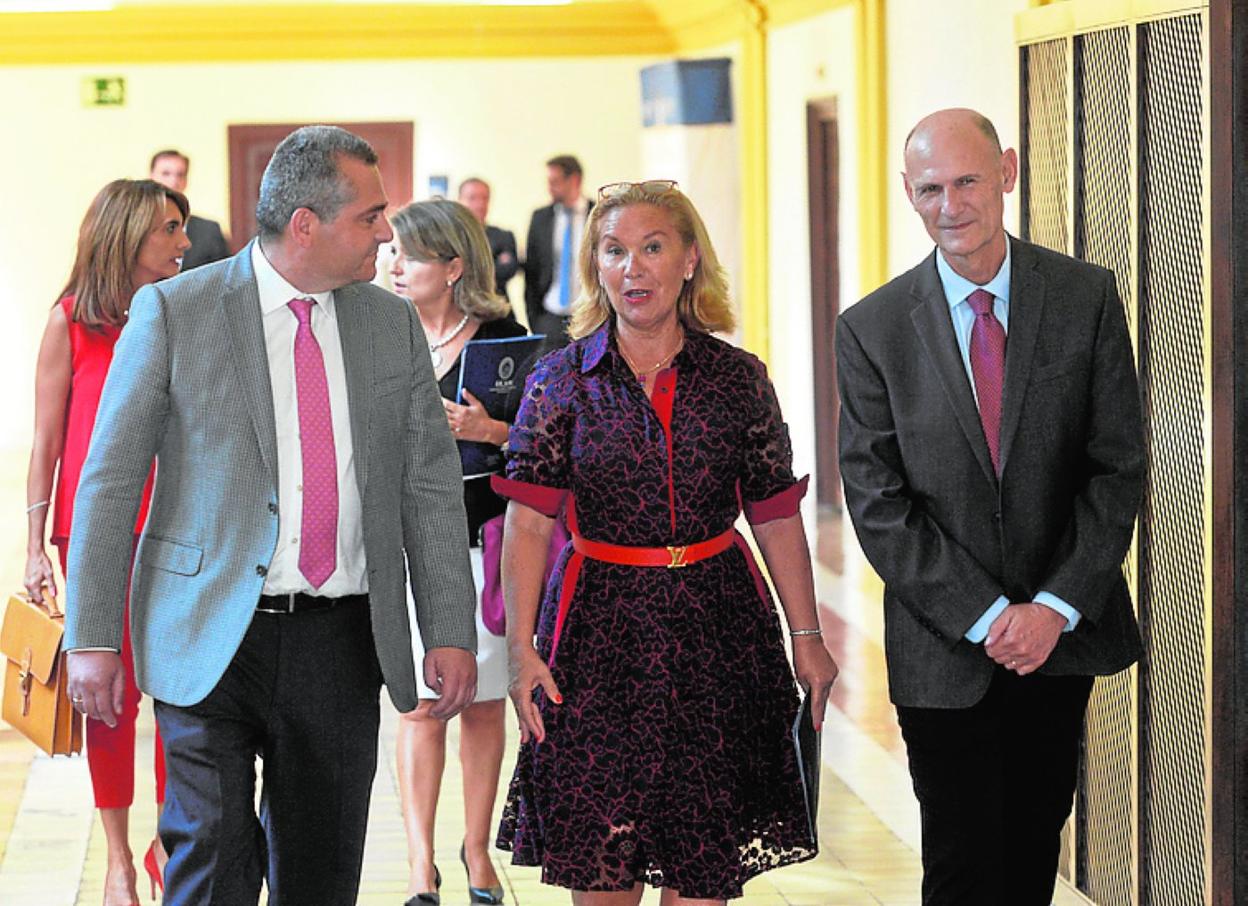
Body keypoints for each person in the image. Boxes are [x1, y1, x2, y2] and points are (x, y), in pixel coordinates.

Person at [64, 125, 479, 906]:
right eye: (370, 216)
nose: (386, 233)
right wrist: (90, 636)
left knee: (320, 876)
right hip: (208, 632)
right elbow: (109, 482)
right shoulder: (176, 312)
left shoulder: (387, 326)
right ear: (305, 224)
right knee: (211, 865)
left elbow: (428, 482)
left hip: (342, 639)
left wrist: (449, 628)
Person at [494, 180, 838, 904]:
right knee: (603, 866)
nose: (633, 269)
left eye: (652, 248)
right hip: (595, 637)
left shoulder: (739, 380)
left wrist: (806, 634)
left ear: (688, 261)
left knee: (702, 867)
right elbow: (529, 520)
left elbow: (774, 513)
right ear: (596, 265)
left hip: (718, 633)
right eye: (615, 251)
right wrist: (519, 647)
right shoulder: (559, 382)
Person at [835, 108, 1144, 906]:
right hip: (944, 649)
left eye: (967, 181)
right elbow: (877, 501)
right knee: (962, 865)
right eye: (930, 188)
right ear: (909, 193)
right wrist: (984, 614)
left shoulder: (1084, 297)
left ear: (1006, 172)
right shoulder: (871, 330)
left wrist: (1050, 607)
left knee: (1032, 849)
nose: (950, 205)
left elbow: (1116, 468)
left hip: (1057, 640)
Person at [24, 178, 189, 906]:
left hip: (178, 531)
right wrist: (34, 547)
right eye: (171, 229)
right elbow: (47, 443)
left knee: (182, 697)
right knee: (110, 701)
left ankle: (170, 846)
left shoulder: (181, 315)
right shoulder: (70, 321)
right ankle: (120, 858)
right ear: (128, 235)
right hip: (93, 538)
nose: (186, 242)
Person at [388, 198, 524, 906]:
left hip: (486, 547)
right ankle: (419, 862)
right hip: (411, 551)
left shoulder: (508, 342)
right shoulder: (380, 331)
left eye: (407, 254)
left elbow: (548, 447)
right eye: (390, 251)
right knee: (416, 707)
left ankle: (475, 849)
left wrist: (489, 428)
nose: (393, 265)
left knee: (480, 705)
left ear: (453, 266)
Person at [522, 155, 592, 349]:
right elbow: (532, 272)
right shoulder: (540, 218)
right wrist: (535, 321)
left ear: (575, 180)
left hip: (588, 315)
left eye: (555, 182)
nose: (550, 187)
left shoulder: (597, 214)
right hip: (550, 316)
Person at [150, 149, 232, 270]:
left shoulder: (209, 231)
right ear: (151, 177)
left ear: (186, 181)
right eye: (166, 174)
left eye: (180, 175)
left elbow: (226, 277)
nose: (173, 181)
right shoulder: (137, 227)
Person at [458, 177, 520, 299]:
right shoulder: (449, 238)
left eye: (485, 198)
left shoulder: (503, 236)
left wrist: (467, 268)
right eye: (472, 198)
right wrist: (494, 263)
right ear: (460, 200)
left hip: (498, 309)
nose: (480, 204)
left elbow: (508, 271)